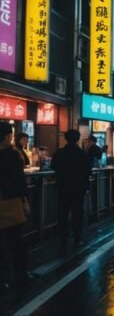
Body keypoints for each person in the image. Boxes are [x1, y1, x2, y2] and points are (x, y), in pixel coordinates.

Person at [0, 122, 33, 288]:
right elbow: (19, 181)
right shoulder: (11, 155)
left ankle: (3, 279)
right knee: (16, 242)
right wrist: (25, 201)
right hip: (10, 203)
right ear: (7, 137)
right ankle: (21, 275)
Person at [51, 129, 91, 246]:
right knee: (77, 212)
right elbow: (88, 170)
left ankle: (63, 237)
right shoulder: (82, 153)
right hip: (78, 188)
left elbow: (53, 166)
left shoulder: (59, 153)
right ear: (78, 139)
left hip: (63, 187)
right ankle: (77, 238)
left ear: (65, 138)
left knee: (62, 213)